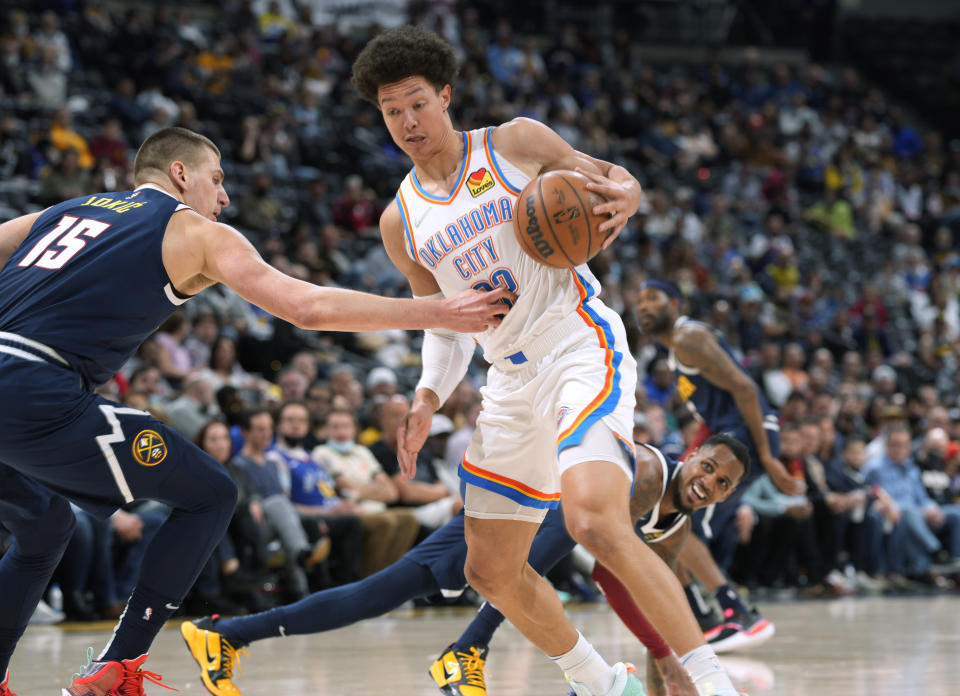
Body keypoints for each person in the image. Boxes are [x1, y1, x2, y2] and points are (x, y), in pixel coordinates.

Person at [0, 126, 511, 696]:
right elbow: (307, 306)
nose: (223, 198)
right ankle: (115, 671)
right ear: (179, 174)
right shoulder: (191, 230)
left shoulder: (63, 212)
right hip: (33, 385)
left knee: (44, 527)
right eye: (216, 180)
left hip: (19, 377)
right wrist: (436, 312)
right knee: (211, 495)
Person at [348, 26, 738, 696]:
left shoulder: (514, 143)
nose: (407, 121)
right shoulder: (401, 221)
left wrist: (632, 192)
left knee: (592, 517)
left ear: (445, 96)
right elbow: (444, 326)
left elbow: (612, 180)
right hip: (509, 379)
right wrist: (426, 397)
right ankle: (598, 681)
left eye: (417, 102)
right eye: (391, 111)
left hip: (576, 343)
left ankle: (711, 682)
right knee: (489, 570)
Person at [180, 434, 749, 696]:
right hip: (507, 514)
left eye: (723, 484)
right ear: (691, 454)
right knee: (372, 596)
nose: (709, 484)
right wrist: (476, 638)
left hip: (514, 531)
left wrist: (663, 661)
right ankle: (463, 654)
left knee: (371, 597)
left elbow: (623, 584)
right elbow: (552, 543)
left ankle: (226, 637)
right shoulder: (646, 472)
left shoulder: (674, 525)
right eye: (708, 468)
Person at [635, 279, 805, 651]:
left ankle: (736, 614)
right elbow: (716, 412)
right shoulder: (677, 352)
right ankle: (707, 618)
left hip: (745, 435)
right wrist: (690, 453)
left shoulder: (688, 339)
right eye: (640, 300)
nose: (644, 305)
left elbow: (744, 388)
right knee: (666, 512)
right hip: (728, 435)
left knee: (680, 518)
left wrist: (767, 456)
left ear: (676, 302)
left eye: (654, 298)